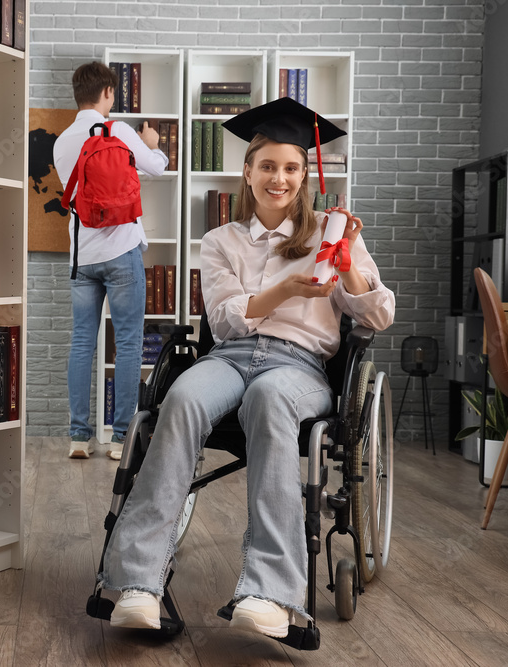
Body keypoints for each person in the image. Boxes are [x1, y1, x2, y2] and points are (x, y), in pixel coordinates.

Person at [99, 97, 396, 638]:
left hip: (299, 367)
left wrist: (349, 266)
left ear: (305, 175)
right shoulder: (219, 242)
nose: (278, 178)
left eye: (289, 168)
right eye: (267, 166)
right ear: (248, 171)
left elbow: (378, 314)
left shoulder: (332, 232)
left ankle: (270, 592)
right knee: (182, 399)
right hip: (231, 357)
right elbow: (227, 320)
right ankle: (137, 582)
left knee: (270, 398)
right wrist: (284, 288)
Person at [53, 62, 169, 460]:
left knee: (82, 342)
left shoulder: (62, 140)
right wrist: (151, 143)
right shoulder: (117, 130)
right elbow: (158, 167)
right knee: (129, 344)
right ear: (106, 93)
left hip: (82, 257)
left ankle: (78, 437)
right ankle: (121, 438)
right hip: (121, 252)